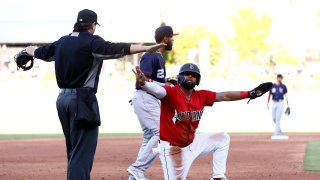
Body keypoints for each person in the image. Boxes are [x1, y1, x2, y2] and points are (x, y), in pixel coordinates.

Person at [23, 9, 165, 180]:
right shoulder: (91, 42)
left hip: (62, 100)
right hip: (82, 100)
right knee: (82, 153)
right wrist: (146, 48)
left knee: (74, 151)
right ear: (92, 25)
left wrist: (27, 50)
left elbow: (39, 52)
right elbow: (118, 48)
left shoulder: (61, 42)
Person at [133, 63, 272, 180]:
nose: (190, 77)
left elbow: (224, 95)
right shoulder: (170, 93)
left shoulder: (201, 96)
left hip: (192, 143)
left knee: (222, 138)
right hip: (172, 149)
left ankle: (218, 176)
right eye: (187, 74)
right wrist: (144, 83)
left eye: (193, 75)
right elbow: (157, 90)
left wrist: (250, 93)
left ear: (197, 80)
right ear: (180, 77)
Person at [127, 26, 178, 180]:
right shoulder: (151, 55)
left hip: (149, 99)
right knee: (161, 133)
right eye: (172, 37)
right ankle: (137, 168)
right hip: (145, 97)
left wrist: (166, 81)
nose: (173, 40)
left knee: (151, 136)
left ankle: (136, 175)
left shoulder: (159, 57)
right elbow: (142, 79)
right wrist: (164, 85)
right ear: (165, 39)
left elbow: (153, 80)